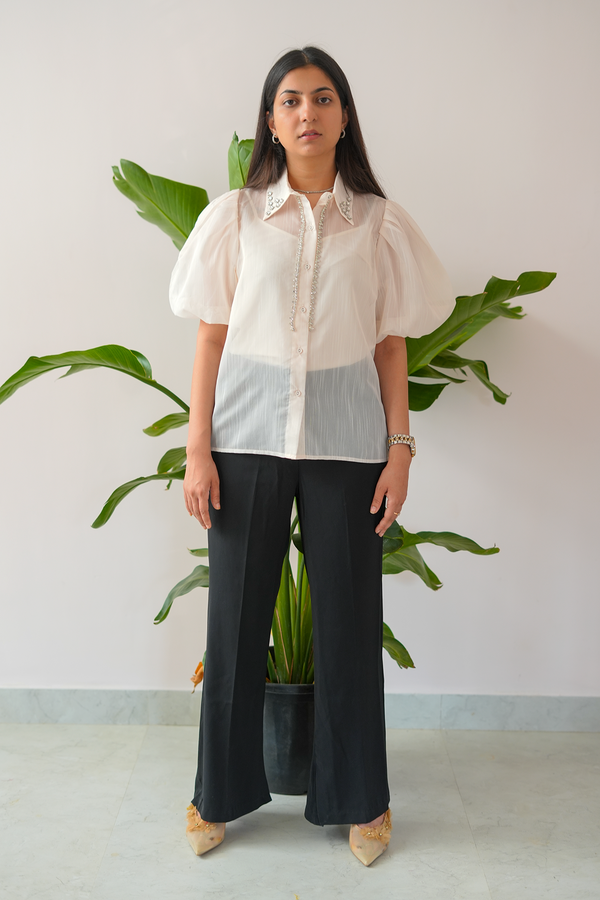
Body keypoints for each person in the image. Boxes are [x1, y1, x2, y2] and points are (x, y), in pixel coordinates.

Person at [169, 46, 455, 866]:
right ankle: (214, 795)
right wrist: (198, 448)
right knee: (233, 627)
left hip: (346, 449)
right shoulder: (233, 216)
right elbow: (211, 333)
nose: (307, 113)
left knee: (348, 623)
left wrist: (399, 450)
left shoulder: (378, 223)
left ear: (343, 115)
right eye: (290, 100)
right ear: (271, 119)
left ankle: (362, 800)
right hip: (243, 444)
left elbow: (390, 345)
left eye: (322, 98)